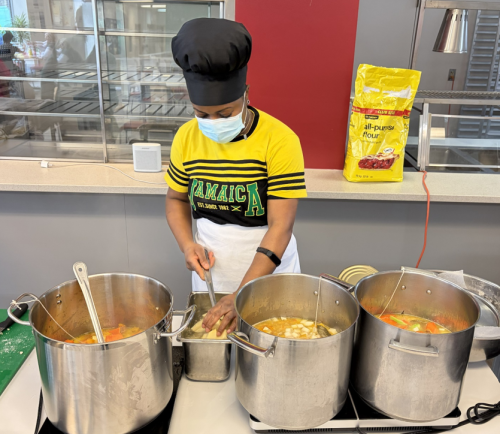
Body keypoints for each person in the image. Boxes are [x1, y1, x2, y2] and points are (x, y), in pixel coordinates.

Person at [165, 18, 307, 336]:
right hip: (212, 277)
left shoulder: (280, 140)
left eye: (225, 113)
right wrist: (187, 245)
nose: (212, 122)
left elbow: (281, 226)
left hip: (268, 275)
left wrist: (242, 294)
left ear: (245, 93)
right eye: (202, 114)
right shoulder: (187, 138)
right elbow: (175, 199)